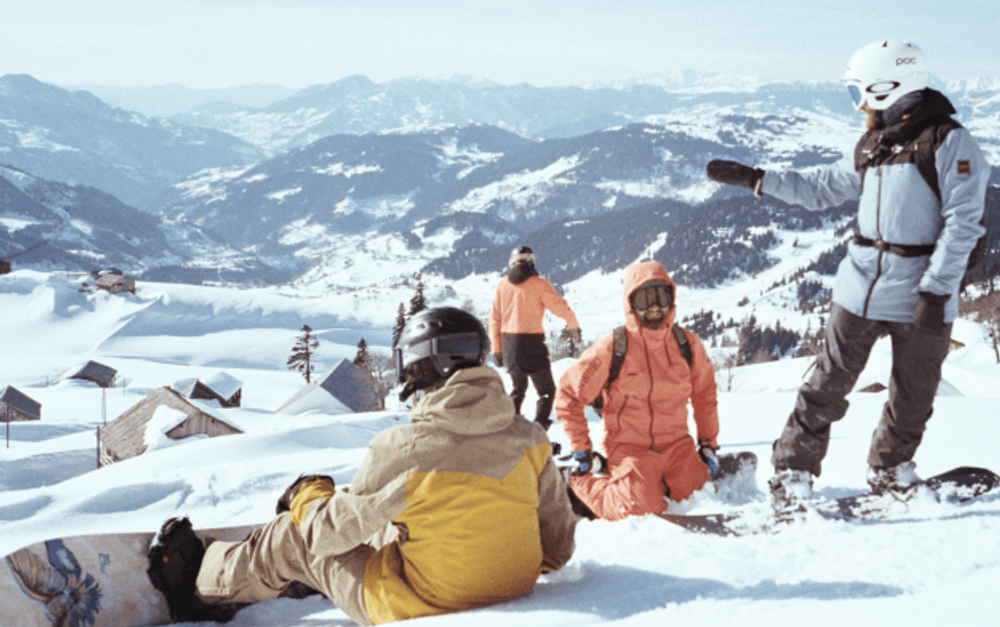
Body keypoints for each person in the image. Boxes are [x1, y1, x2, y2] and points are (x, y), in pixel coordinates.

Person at [146, 307, 577, 626]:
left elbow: (324, 533)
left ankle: (200, 590)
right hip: (510, 589)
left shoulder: (407, 447)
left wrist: (307, 495)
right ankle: (299, 577)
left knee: (297, 535)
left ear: (427, 364)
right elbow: (556, 549)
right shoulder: (529, 438)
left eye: (413, 362)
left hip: (415, 606)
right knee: (386, 522)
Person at [706, 40, 989, 510]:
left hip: (922, 293)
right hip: (859, 287)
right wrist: (759, 179)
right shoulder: (874, 143)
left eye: (860, 91)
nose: (858, 103)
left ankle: (891, 469)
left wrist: (936, 292)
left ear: (886, 86)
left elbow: (964, 223)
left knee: (913, 393)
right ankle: (792, 474)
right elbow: (822, 188)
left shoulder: (948, 142)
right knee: (826, 384)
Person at [554, 261, 721, 521]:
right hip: (630, 449)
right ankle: (578, 485)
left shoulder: (687, 345)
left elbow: (705, 395)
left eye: (661, 297)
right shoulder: (613, 347)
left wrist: (708, 443)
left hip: (678, 446)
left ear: (672, 300)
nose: (655, 307)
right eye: (645, 299)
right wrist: (580, 449)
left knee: (699, 497)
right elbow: (569, 395)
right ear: (631, 304)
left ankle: (663, 480)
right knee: (638, 509)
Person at [489, 245, 581, 431]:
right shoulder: (540, 284)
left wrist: (497, 350)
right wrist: (574, 325)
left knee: (517, 390)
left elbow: (494, 319)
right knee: (546, 391)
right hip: (533, 346)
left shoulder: (502, 285)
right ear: (531, 261)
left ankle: (510, 431)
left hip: (510, 345)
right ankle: (539, 428)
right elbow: (560, 306)